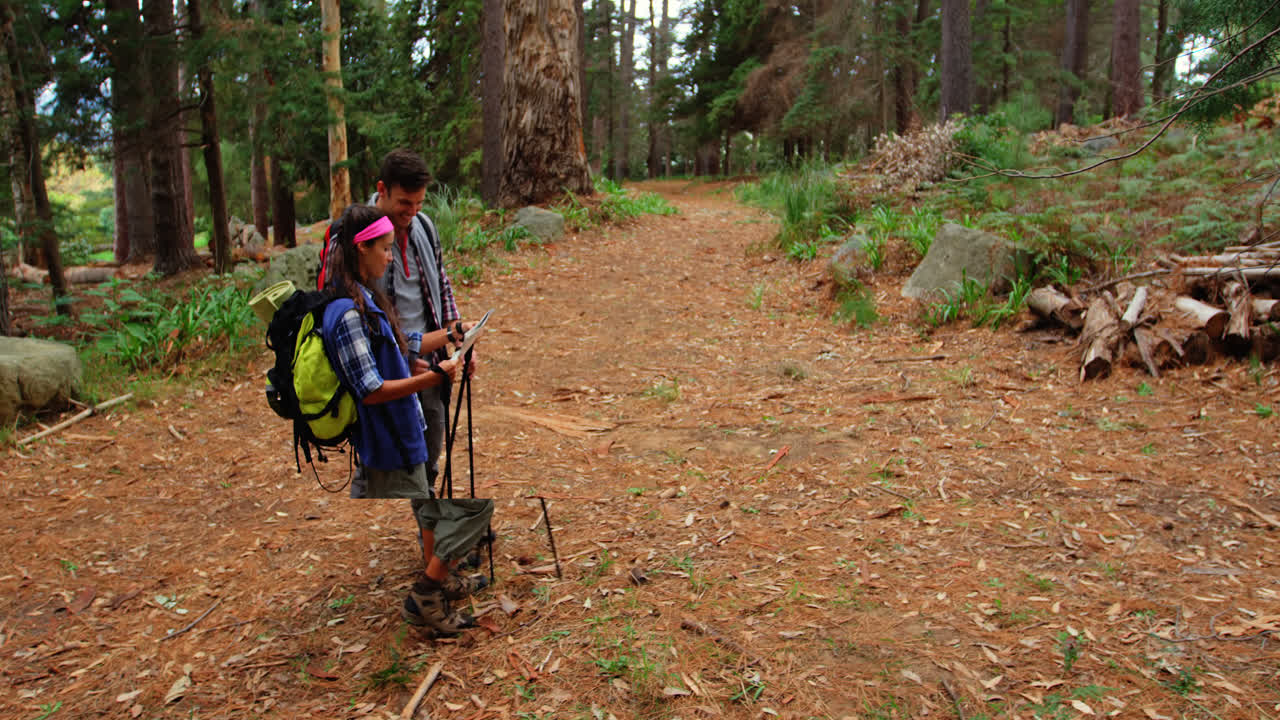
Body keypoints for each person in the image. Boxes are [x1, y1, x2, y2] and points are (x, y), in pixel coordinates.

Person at [321, 203, 493, 634]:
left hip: (404, 430)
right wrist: (433, 375)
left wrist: (453, 335)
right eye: (383, 248)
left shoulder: (367, 298)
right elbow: (371, 389)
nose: (391, 256)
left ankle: (439, 582)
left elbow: (405, 343)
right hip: (389, 439)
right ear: (362, 250)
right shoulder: (345, 312)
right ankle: (425, 595)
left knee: (428, 505)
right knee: (472, 514)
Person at [369, 149, 491, 579]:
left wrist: (461, 343)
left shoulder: (422, 226)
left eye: (419, 203)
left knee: (432, 455)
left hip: (434, 359)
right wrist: (404, 360)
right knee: (415, 460)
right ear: (382, 189)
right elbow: (352, 311)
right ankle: (439, 563)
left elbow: (440, 284)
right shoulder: (357, 233)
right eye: (404, 203)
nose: (412, 212)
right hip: (393, 371)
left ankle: (443, 540)